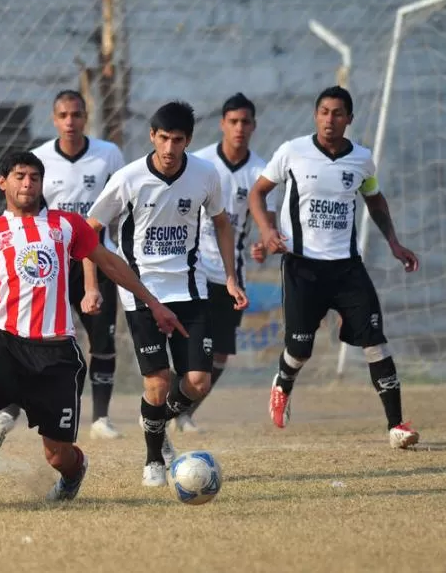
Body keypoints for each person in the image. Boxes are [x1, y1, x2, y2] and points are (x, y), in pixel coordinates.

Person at [0, 151, 185, 514]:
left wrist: (153, 302)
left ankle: (74, 472)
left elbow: (110, 263)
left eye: (35, 178)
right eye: (20, 176)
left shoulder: (67, 225)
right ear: (3, 181)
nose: (28, 184)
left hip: (56, 354)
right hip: (4, 341)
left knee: (57, 455)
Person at [85, 100, 249, 487]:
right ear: (152, 137)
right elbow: (88, 232)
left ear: (188, 140)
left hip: (190, 290)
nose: (170, 149)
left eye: (178, 140)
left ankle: (156, 423)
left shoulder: (206, 174)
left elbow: (222, 224)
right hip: (140, 293)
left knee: (197, 382)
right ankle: (153, 459)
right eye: (163, 139)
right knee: (157, 383)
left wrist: (229, 276)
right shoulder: (128, 178)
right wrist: (92, 285)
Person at [249, 85, 421, 449]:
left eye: (338, 113)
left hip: (346, 268)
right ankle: (283, 382)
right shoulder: (292, 152)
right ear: (316, 115)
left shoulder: (361, 160)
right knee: (300, 350)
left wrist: (393, 241)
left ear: (349, 119)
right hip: (301, 267)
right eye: (324, 112)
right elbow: (257, 192)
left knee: (375, 342)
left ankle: (397, 425)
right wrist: (268, 232)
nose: (330, 120)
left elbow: (374, 200)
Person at [0, 90, 126, 446]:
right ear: (54, 119)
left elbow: (116, 208)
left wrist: (99, 273)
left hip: (96, 258)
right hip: (50, 262)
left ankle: (101, 418)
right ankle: (10, 411)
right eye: (63, 115)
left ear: (85, 116)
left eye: (76, 114)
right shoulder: (40, 160)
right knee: (31, 340)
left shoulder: (109, 154)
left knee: (102, 339)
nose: (70, 122)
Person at [171, 92, 273, 433]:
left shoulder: (260, 171)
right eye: (233, 121)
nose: (239, 128)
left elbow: (265, 221)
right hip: (194, 271)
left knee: (219, 356)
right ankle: (168, 408)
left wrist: (264, 242)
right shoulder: (199, 163)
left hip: (231, 275)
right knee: (187, 347)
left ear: (254, 126)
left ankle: (184, 411)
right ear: (222, 124)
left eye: (245, 122)